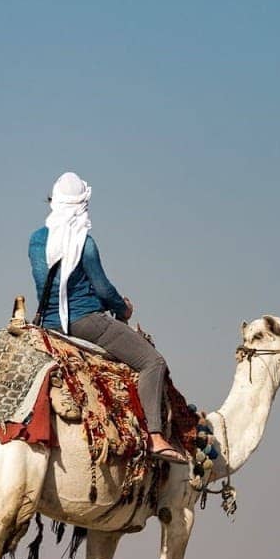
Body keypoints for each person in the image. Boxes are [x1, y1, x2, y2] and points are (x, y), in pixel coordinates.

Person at [30, 172, 185, 462]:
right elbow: (102, 288)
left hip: (49, 325)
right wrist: (121, 308)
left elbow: (43, 287)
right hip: (86, 322)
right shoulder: (84, 244)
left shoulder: (37, 242)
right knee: (153, 361)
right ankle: (155, 437)